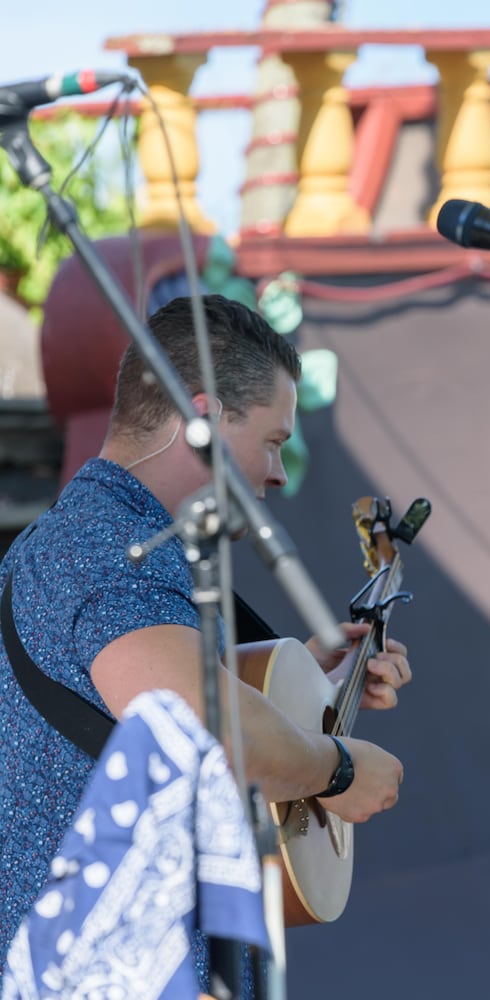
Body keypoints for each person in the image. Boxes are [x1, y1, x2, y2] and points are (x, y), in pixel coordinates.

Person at [0, 294, 410, 979]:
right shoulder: (106, 547)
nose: (279, 472)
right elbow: (207, 731)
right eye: (273, 441)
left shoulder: (108, 543)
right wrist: (336, 768)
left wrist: (305, 684)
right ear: (202, 419)